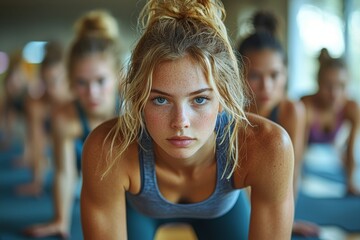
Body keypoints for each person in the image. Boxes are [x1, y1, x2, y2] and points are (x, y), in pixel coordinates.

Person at [81, 1, 295, 239]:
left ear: (223, 97)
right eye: (161, 100)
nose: (180, 122)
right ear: (139, 99)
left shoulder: (267, 145)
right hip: (139, 211)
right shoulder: (108, 148)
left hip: (222, 212)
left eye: (200, 99)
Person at [23, 9, 122, 238]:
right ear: (70, 81)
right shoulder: (65, 119)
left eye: (100, 81)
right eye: (82, 83)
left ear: (117, 75)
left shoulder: (133, 109)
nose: (92, 93)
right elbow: (64, 173)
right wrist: (61, 220)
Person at [237, 10, 320, 237]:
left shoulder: (291, 111)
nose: (266, 86)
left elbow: (292, 174)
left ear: (286, 74)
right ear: (238, 75)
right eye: (255, 76)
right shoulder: (230, 112)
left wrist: (285, 219)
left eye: (275, 75)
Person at [16, 41, 73, 196]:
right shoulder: (36, 105)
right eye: (46, 82)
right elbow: (36, 142)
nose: (51, 89)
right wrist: (37, 181)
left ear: (68, 78)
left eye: (56, 81)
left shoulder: (77, 101)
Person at [301, 49, 360, 195]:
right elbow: (296, 150)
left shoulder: (351, 107)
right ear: (318, 83)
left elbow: (351, 149)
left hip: (332, 155)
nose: (335, 93)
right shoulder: (305, 105)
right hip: (306, 156)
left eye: (341, 86)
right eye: (328, 85)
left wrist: (351, 182)